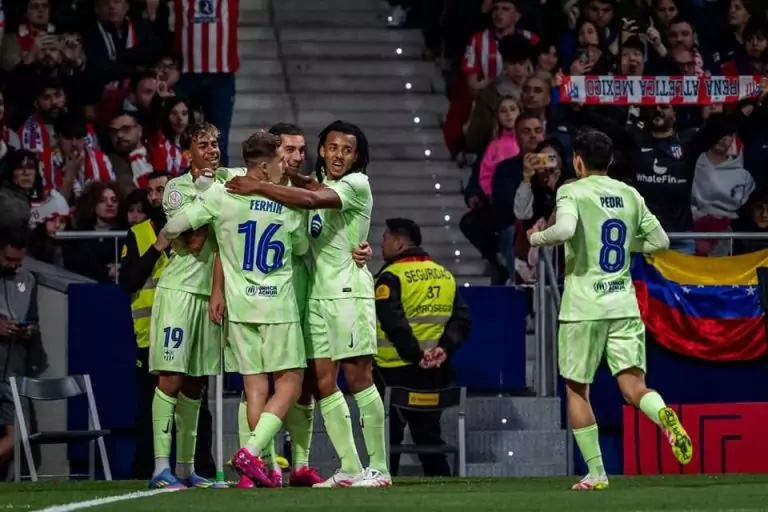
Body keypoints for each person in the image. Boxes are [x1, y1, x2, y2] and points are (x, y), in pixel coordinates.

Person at [226, 120, 390, 487]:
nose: (338, 155)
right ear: (323, 149)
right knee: (323, 381)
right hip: (317, 294)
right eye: (332, 147)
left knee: (359, 377)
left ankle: (379, 467)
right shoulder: (324, 182)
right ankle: (349, 467)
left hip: (348, 292)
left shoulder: (357, 184)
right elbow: (313, 188)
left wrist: (260, 185)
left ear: (358, 156)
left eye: (347, 150)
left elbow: (314, 199)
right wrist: (286, 176)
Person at [527, 130, 692, 490]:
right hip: (623, 305)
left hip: (583, 307)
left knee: (576, 390)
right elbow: (661, 241)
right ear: (611, 161)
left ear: (578, 162)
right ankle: (664, 417)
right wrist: (627, 244)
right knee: (634, 387)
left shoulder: (571, 190)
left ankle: (597, 473)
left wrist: (536, 238)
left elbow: (566, 228)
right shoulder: (629, 193)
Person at [161, 129, 308, 489]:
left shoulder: (221, 196)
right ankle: (252, 452)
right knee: (290, 383)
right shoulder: (285, 203)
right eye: (278, 161)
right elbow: (303, 247)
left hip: (240, 308)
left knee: (255, 389)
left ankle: (259, 472)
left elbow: (174, 225)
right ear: (263, 164)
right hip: (278, 306)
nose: (283, 167)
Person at [144, 123, 223, 489]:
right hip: (178, 292)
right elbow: (194, 241)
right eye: (203, 144)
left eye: (215, 143)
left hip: (209, 294)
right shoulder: (176, 189)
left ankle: (184, 468)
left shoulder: (223, 183)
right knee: (171, 378)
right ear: (187, 153)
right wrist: (209, 195)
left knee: (196, 384)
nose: (211, 150)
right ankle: (159, 466)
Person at [374, 218, 471, 477]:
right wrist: (443, 349)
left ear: (399, 243)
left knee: (388, 438)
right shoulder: (444, 274)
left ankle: (383, 483)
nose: (381, 244)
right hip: (435, 373)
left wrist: (416, 355)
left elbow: (393, 324)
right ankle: (442, 487)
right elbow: (462, 320)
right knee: (429, 438)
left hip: (392, 371)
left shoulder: (391, 277)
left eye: (385, 238)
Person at [0, 225, 47, 469]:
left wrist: (29, 330)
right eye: (9, 259)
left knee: (20, 432)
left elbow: (34, 319)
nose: (14, 266)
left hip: (13, 370)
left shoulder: (27, 279)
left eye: (19, 261)